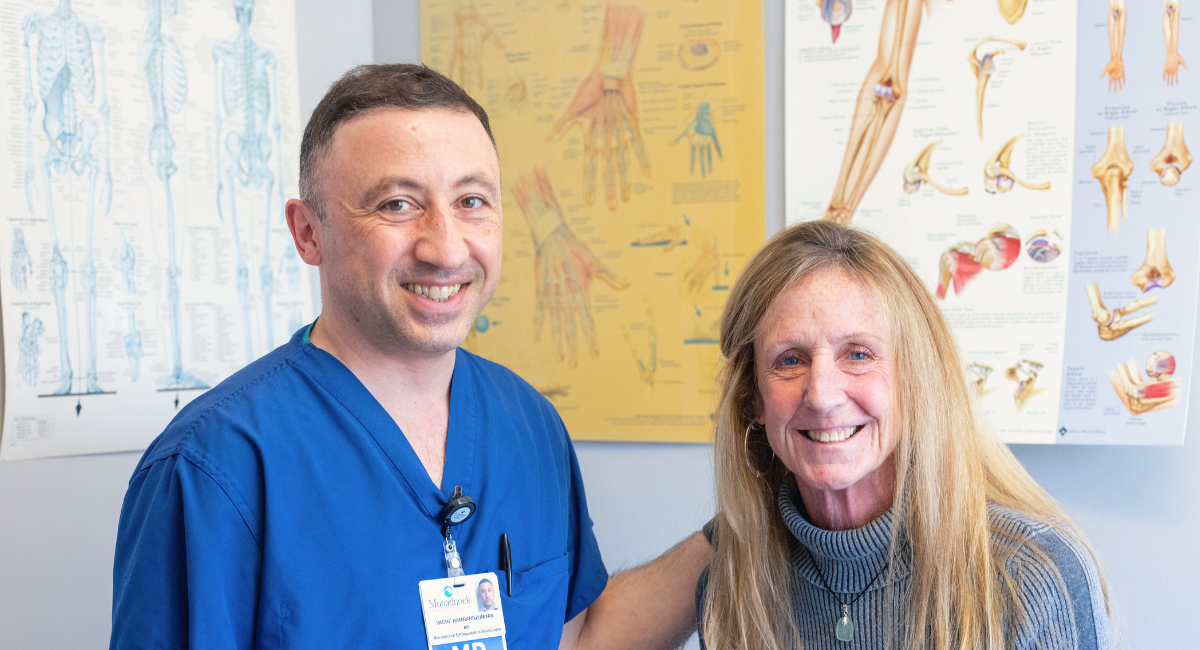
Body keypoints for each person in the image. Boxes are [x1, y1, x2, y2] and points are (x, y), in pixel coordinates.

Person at [110, 64, 707, 650]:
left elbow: (571, 638)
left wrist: (741, 532)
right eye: (397, 204)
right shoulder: (215, 467)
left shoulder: (528, 424)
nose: (446, 248)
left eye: (472, 201)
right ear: (307, 232)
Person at [697, 221, 1112, 649]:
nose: (821, 395)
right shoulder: (729, 588)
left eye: (858, 354)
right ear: (753, 399)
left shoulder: (1032, 576)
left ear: (914, 381)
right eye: (789, 360)